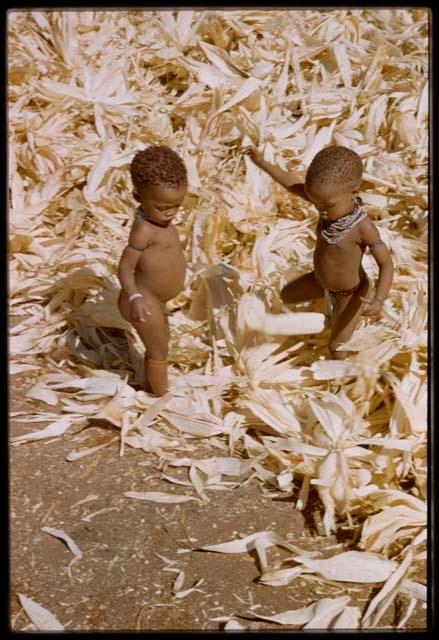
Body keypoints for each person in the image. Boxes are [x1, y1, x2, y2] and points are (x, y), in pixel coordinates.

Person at [243, 145, 394, 359]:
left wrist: (379, 299)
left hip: (350, 294)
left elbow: (386, 264)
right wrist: (261, 162)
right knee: (287, 295)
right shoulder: (326, 202)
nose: (321, 209)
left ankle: (345, 382)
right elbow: (289, 182)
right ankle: (321, 314)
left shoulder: (363, 227)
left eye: (327, 204)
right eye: (315, 203)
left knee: (337, 348)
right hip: (320, 280)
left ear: (354, 191)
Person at [117, 146, 188, 394]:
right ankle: (161, 397)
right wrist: (134, 296)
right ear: (138, 196)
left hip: (156, 300)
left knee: (159, 344)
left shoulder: (160, 221)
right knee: (159, 350)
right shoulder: (143, 229)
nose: (170, 213)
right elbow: (125, 267)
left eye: (176, 206)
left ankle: (149, 386)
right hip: (143, 299)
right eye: (162, 207)